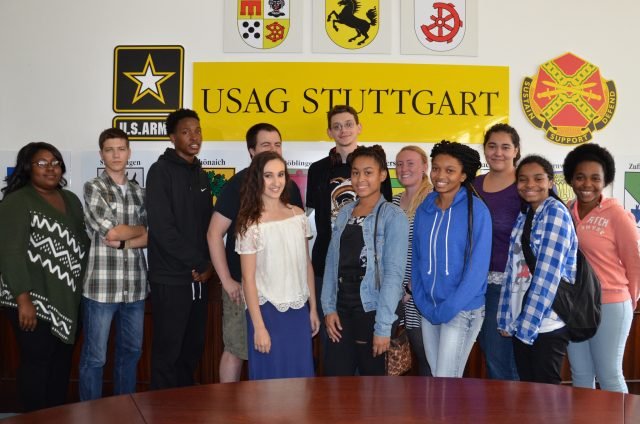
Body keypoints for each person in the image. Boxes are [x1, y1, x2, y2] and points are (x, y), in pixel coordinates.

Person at [207, 123, 303, 383]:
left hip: (283, 294)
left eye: (277, 144)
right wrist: (227, 280)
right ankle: (228, 411)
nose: (273, 149)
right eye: (265, 145)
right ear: (251, 151)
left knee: (278, 355)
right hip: (243, 286)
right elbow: (214, 233)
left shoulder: (288, 186)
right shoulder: (237, 184)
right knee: (237, 349)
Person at [0, 142, 89, 411]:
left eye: (55, 162)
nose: (50, 168)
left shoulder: (71, 200)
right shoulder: (17, 201)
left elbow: (81, 245)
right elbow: (10, 252)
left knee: (61, 364)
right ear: (28, 167)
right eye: (41, 163)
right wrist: (23, 298)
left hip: (65, 298)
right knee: (37, 364)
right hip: (30, 300)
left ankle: (55, 416)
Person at [306, 105, 392, 369]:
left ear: (359, 128)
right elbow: (312, 214)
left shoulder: (375, 165)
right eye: (337, 125)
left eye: (348, 124)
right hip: (327, 267)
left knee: (368, 354)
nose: (343, 130)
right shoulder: (318, 169)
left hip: (367, 271)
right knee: (335, 347)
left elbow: (384, 216)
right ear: (329, 131)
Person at [321, 145, 407, 376]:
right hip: (341, 309)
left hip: (371, 309)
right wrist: (328, 308)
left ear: (382, 175)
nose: (360, 179)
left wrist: (383, 327)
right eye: (356, 172)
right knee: (336, 382)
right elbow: (332, 262)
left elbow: (393, 276)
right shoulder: (344, 212)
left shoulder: (393, 216)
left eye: (368, 172)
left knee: (374, 390)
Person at [235, 151, 319, 380]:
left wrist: (312, 308)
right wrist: (259, 326)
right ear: (258, 179)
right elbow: (248, 279)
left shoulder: (298, 215)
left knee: (301, 381)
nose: (276, 182)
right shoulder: (250, 224)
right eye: (269, 176)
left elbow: (306, 266)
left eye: (280, 175)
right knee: (269, 384)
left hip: (298, 312)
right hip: (267, 313)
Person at [146, 109, 214, 389]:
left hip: (199, 278)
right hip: (171, 279)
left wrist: (208, 263)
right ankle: (162, 413)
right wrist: (200, 261)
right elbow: (163, 230)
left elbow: (208, 228)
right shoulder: (160, 172)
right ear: (172, 137)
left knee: (192, 351)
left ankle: (184, 411)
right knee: (167, 354)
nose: (194, 136)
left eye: (197, 130)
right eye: (186, 132)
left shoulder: (201, 174)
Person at [563, 144, 640, 392]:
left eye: (595, 178)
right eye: (580, 177)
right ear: (571, 179)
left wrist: (630, 301)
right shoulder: (565, 211)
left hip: (611, 304)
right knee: (581, 376)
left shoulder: (616, 214)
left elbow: (634, 262)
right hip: (575, 305)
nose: (587, 184)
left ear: (605, 180)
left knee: (609, 375)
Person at [79, 128, 148, 400]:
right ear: (101, 154)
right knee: (95, 358)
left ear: (129, 152)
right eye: (110, 149)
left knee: (130, 353)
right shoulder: (93, 187)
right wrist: (136, 231)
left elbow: (149, 236)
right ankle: (90, 414)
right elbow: (111, 232)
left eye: (121, 149)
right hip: (100, 289)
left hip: (136, 288)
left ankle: (124, 411)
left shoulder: (139, 192)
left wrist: (126, 238)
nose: (116, 154)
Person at [413, 141, 491, 378]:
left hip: (462, 309)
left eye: (449, 170)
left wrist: (449, 308)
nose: (440, 175)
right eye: (436, 168)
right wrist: (423, 302)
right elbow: (417, 260)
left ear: (463, 175)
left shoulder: (477, 211)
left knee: (447, 379)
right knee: (439, 378)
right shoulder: (424, 208)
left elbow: (477, 271)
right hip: (429, 308)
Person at [497, 155, 577, 385]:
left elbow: (547, 276)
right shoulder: (525, 215)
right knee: (529, 394)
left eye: (538, 178)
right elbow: (512, 271)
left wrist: (525, 327)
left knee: (546, 396)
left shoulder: (555, 213)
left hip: (545, 323)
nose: (530, 184)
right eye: (523, 179)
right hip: (524, 320)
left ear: (551, 182)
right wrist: (506, 318)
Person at [473, 123, 521, 381]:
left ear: (516, 151)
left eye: (505, 147)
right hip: (479, 288)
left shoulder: (529, 185)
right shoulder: (472, 186)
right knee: (494, 360)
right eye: (492, 146)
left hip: (517, 288)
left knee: (515, 364)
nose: (498, 152)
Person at [392, 146, 432, 376]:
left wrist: (411, 286)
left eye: (410, 163)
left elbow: (429, 252)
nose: (403, 168)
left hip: (419, 293)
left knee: (425, 356)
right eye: (399, 164)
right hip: (397, 292)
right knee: (397, 355)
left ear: (425, 166)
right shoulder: (395, 201)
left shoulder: (432, 199)